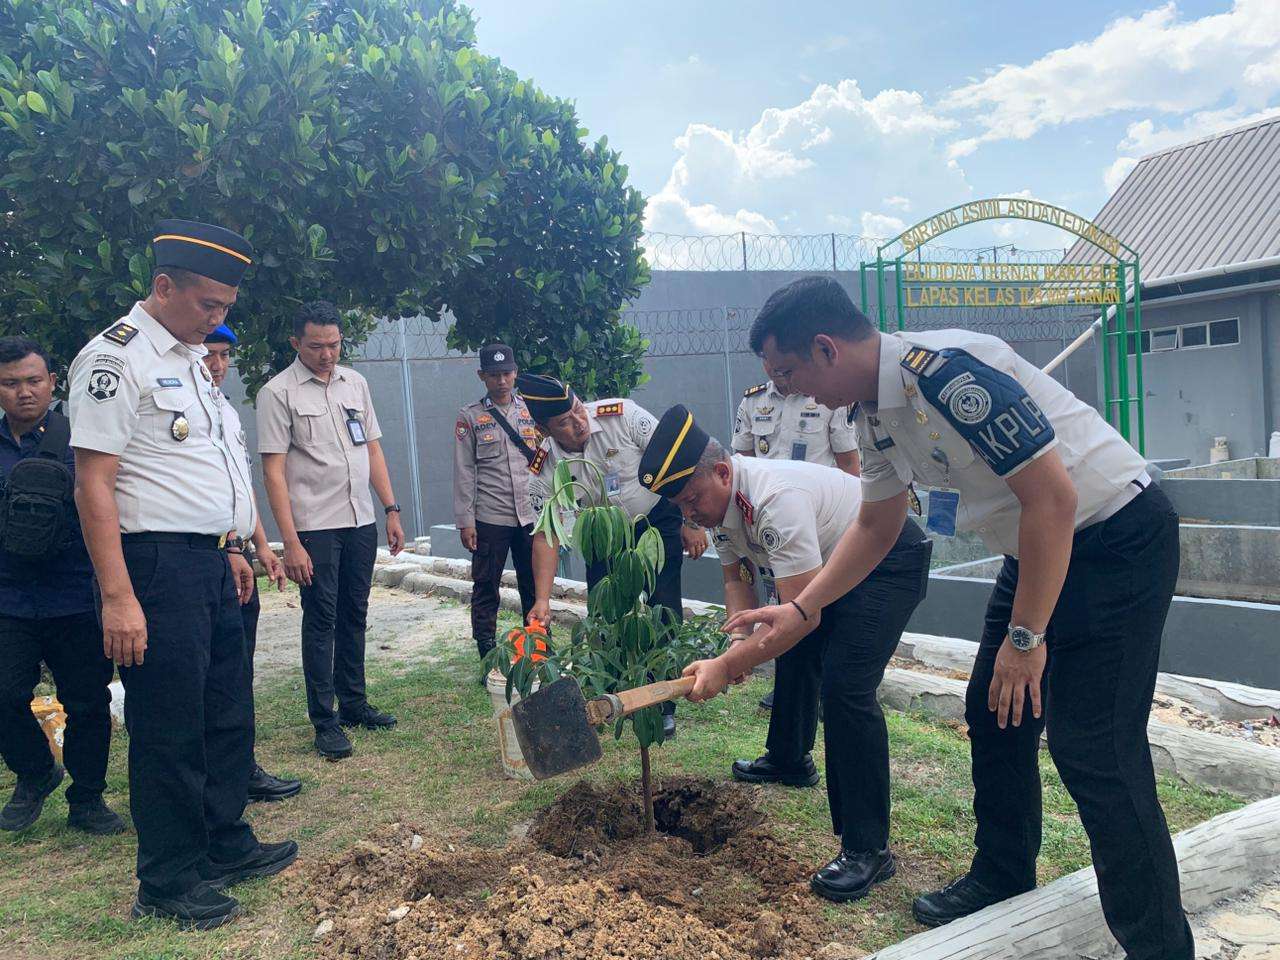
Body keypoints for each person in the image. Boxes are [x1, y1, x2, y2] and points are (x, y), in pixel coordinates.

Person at [717, 276, 1191, 960]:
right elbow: (877, 525)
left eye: (789, 373)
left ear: (824, 348)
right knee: (995, 711)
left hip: (1114, 536)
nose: (792, 392)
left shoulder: (943, 374)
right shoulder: (871, 412)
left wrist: (1025, 639)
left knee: (1094, 749)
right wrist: (800, 607)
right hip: (1037, 546)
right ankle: (1003, 874)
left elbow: (1053, 499)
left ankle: (1159, 948)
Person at [68, 219, 296, 930]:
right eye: (209, 305)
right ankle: (167, 879)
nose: (219, 320)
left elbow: (209, 469)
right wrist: (117, 597)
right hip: (154, 568)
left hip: (210, 560)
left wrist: (233, 547)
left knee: (224, 713)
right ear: (163, 287)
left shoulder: (193, 360)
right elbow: (93, 485)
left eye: (227, 306)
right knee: (168, 726)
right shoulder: (116, 359)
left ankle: (224, 843)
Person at [643, 405, 929, 901]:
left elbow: (802, 616)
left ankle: (868, 849)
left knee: (845, 687)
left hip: (888, 561)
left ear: (723, 471)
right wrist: (738, 641)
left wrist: (730, 665)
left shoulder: (775, 499)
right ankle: (789, 759)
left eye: (692, 501)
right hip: (833, 565)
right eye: (681, 509)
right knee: (792, 653)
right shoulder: (720, 506)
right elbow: (738, 580)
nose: (690, 515)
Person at [517, 373, 706, 741]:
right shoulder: (546, 463)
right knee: (605, 615)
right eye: (564, 423)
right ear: (543, 429)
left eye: (576, 410)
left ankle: (662, 704)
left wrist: (691, 520)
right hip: (602, 532)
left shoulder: (622, 416)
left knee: (663, 609)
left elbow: (679, 461)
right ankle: (618, 696)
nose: (578, 423)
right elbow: (546, 531)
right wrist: (542, 599)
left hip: (655, 520)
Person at [257, 300, 405, 761]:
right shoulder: (277, 393)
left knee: (354, 614)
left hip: (359, 518)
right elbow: (274, 473)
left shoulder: (354, 384)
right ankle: (325, 721)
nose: (327, 354)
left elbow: (373, 450)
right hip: (315, 528)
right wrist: (292, 543)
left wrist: (391, 509)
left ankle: (355, 703)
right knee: (321, 621)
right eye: (317, 346)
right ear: (296, 343)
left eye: (334, 344)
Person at [0, 337, 123, 835]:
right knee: (4, 692)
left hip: (74, 593)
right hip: (8, 598)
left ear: (53, 383)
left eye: (33, 381)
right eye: (10, 383)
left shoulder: (81, 441)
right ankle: (34, 771)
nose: (23, 392)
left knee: (87, 700)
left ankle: (88, 798)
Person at [200, 325, 300, 803]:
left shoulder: (226, 412)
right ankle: (210, 776)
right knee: (206, 676)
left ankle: (240, 767)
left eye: (224, 355)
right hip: (201, 558)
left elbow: (242, 489)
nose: (217, 365)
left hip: (238, 554)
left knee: (238, 671)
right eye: (208, 354)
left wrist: (264, 547)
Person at [733, 363, 860, 715]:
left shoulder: (829, 398)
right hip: (773, 524)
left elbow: (850, 464)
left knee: (815, 613)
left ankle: (820, 690)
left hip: (820, 525)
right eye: (773, 368)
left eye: (787, 369)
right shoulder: (753, 402)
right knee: (785, 610)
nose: (781, 377)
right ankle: (791, 698)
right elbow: (740, 464)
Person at [452, 344, 539, 673]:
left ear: (515, 373)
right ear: (482, 376)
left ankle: (535, 653)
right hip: (490, 515)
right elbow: (464, 470)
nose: (501, 381)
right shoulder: (470, 417)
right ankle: (488, 658)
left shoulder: (531, 410)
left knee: (534, 583)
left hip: (530, 513)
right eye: (494, 375)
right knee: (486, 586)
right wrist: (465, 520)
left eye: (506, 374)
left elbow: (548, 457)